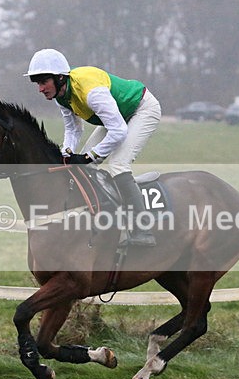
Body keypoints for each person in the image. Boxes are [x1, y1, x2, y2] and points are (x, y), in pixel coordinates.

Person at [24, 48, 161, 247]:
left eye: (43, 82)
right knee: (83, 168)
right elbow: (73, 129)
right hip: (118, 118)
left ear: (59, 78)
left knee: (118, 164)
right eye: (37, 83)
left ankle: (143, 231)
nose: (40, 89)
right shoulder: (61, 95)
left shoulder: (90, 91)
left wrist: (89, 156)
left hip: (142, 109)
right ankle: (99, 218)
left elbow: (119, 131)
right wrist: (67, 152)